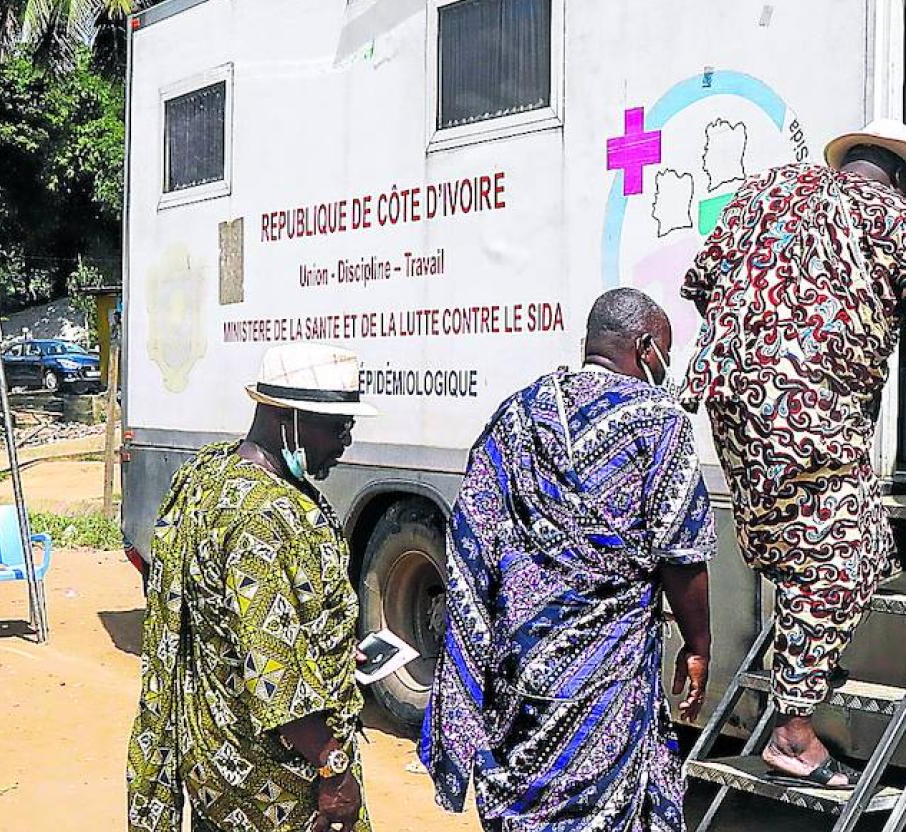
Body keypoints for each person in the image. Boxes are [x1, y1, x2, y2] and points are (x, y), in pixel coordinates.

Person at [680, 118, 906, 786]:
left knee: (833, 547)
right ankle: (793, 734)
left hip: (731, 396)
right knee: (839, 564)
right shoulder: (899, 218)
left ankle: (810, 659)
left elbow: (702, 282)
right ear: (903, 180)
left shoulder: (762, 191)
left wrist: (761, 340)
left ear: (852, 159)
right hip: (813, 412)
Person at [421, 288, 716, 832]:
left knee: (526, 806)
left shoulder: (517, 413)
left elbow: (473, 540)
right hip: (607, 681)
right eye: (664, 356)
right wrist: (698, 645)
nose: (662, 369)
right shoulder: (659, 422)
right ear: (646, 347)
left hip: (520, 673)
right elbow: (682, 552)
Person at [128, 343, 378, 832]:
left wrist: (331, 652)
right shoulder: (262, 516)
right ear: (288, 418)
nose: (346, 441)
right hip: (269, 785)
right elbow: (275, 679)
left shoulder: (209, 476)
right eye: (338, 426)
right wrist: (334, 770)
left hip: (213, 767)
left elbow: (234, 625)